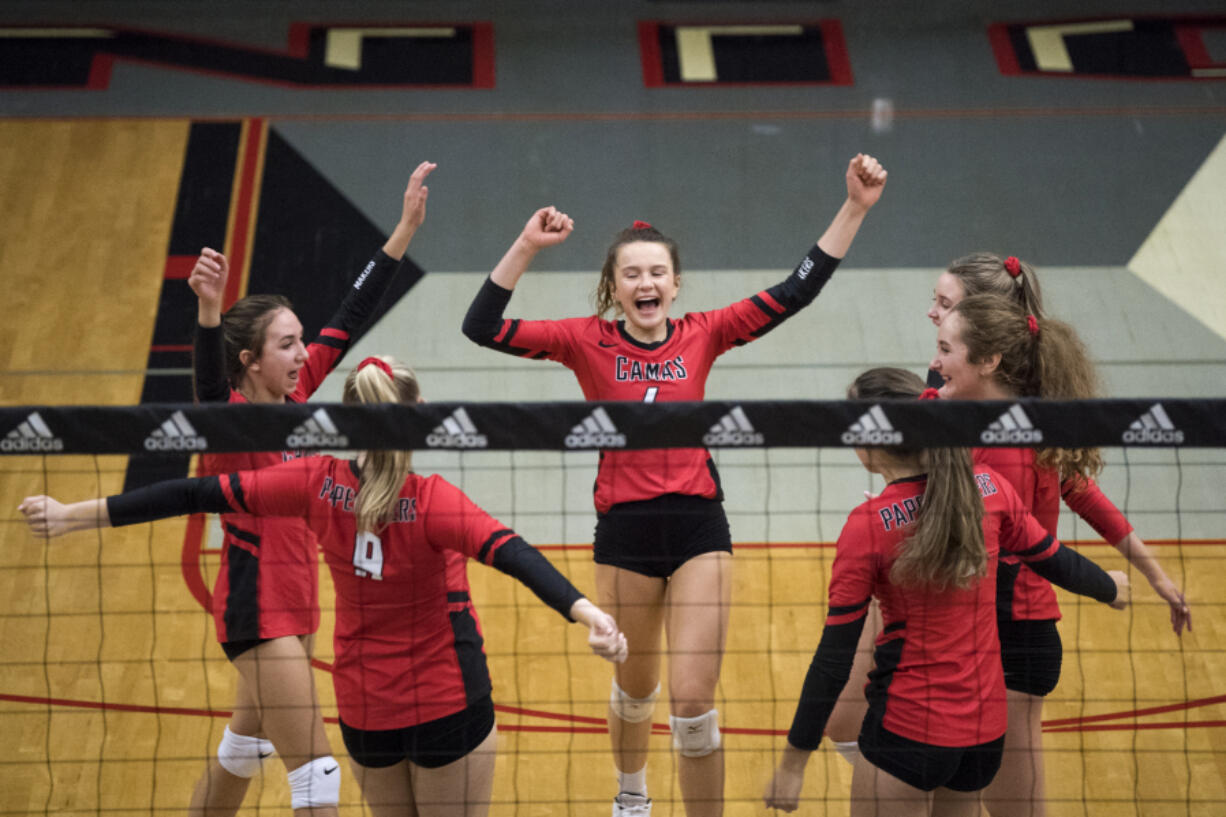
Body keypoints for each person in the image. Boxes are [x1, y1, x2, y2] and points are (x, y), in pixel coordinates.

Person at [462, 155, 888, 817]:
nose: (645, 281)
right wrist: (526, 245)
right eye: (631, 273)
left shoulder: (705, 332)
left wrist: (855, 208)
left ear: (676, 283)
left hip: (698, 529)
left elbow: (794, 291)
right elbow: (481, 327)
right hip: (624, 535)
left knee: (691, 704)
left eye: (656, 271)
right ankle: (632, 795)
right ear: (613, 286)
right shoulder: (585, 340)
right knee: (635, 691)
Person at [20, 355, 628, 817]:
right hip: (447, 703)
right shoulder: (433, 501)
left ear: (343, 416)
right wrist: (586, 613)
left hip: (367, 714)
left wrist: (75, 514)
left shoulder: (311, 482)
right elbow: (514, 555)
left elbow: (191, 493)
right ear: (417, 410)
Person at [178, 161, 437, 816]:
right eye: (287, 345)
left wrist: (404, 228)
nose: (302, 355)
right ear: (250, 361)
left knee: (244, 747)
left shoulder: (299, 393)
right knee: (318, 774)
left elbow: (350, 315)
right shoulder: (229, 419)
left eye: (300, 344)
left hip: (297, 597)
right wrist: (210, 311)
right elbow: (207, 385)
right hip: (255, 604)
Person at [762, 367, 1130, 817]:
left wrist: (794, 762)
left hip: (909, 725)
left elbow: (834, 657)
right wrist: (1109, 586)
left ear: (869, 442)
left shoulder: (869, 526)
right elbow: (1053, 558)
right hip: (983, 734)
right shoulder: (990, 490)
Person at [930, 293, 1191, 817]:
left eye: (943, 348)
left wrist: (1112, 583)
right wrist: (1154, 572)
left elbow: (1032, 544)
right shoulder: (998, 420)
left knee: (1010, 806)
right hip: (985, 630)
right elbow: (1084, 493)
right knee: (954, 797)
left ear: (989, 360)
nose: (933, 365)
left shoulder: (1004, 447)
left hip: (1014, 634)